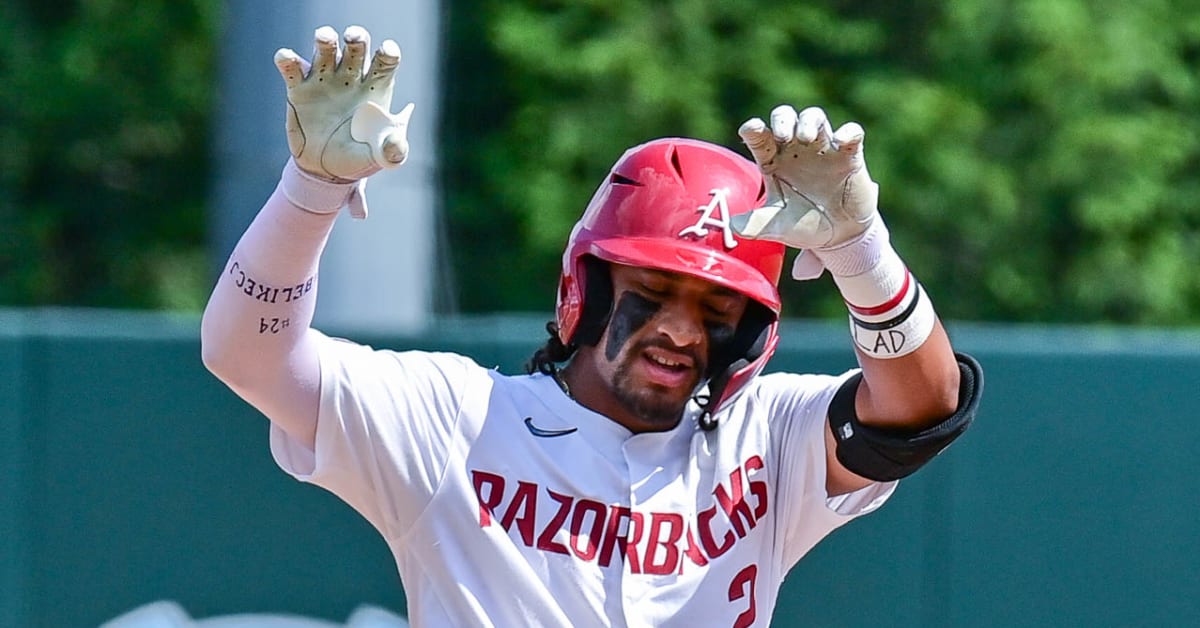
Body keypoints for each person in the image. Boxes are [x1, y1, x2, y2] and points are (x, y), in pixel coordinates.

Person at [201, 25, 983, 628]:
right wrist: (310, 191)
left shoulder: (765, 442)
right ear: (588, 288)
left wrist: (860, 251)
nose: (681, 331)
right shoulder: (455, 419)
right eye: (653, 293)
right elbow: (248, 354)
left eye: (718, 311)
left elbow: (923, 408)